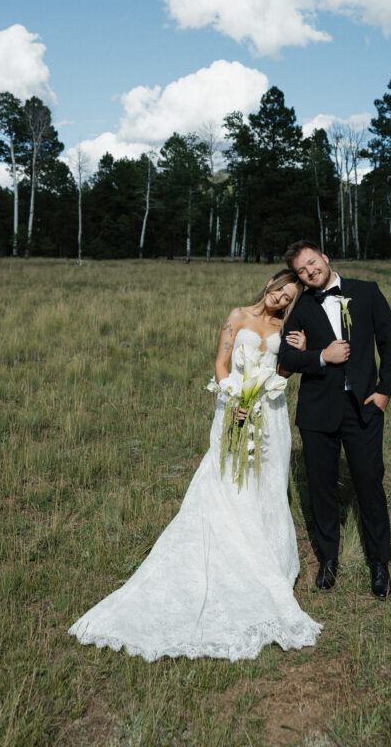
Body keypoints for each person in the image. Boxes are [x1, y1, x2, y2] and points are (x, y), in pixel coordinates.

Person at [69, 270, 322, 661]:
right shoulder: (237, 316)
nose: (281, 300)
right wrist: (234, 397)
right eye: (280, 291)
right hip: (234, 408)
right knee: (228, 482)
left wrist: (300, 349)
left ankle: (264, 557)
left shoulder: (281, 329)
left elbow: (282, 372)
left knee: (266, 484)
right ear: (270, 283)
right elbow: (221, 363)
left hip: (269, 414)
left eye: (289, 298)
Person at [279, 241, 391, 600]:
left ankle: (380, 563)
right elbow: (285, 357)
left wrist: (384, 393)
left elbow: (389, 344)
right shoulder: (300, 308)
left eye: (312, 264)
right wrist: (319, 356)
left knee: (368, 482)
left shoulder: (367, 292)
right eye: (301, 271)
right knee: (321, 486)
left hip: (364, 406)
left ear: (325, 258)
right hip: (317, 411)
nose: (309, 272)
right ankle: (328, 558)